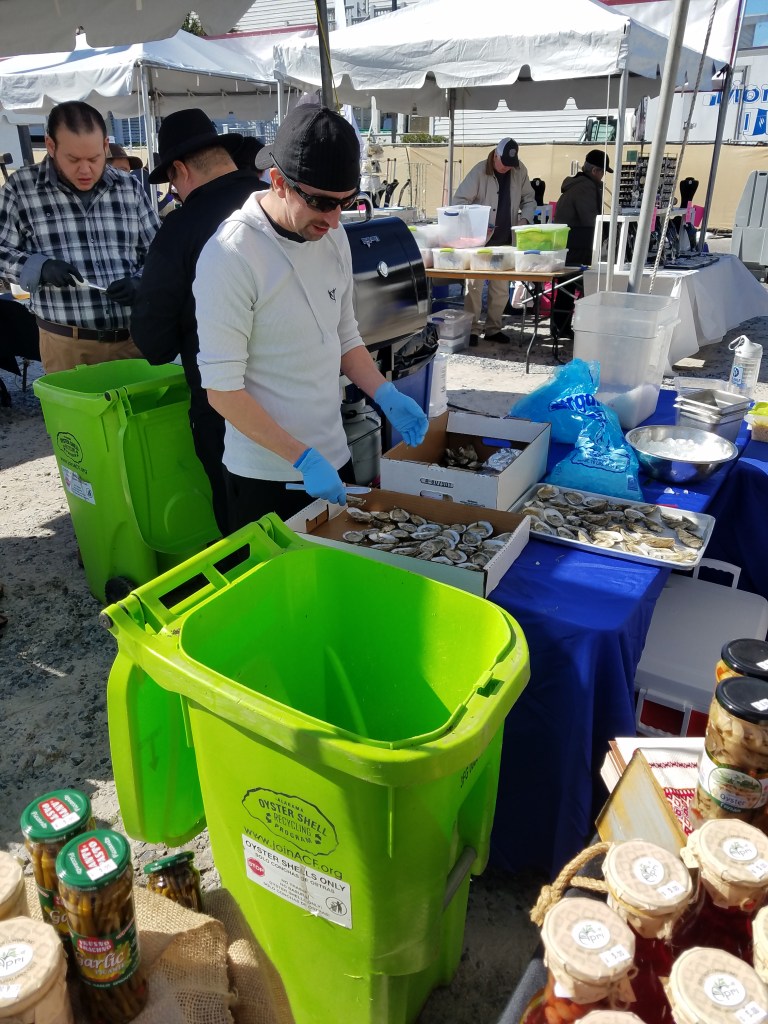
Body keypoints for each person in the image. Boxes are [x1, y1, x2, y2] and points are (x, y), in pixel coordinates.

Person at [193, 104, 429, 532]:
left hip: (332, 459)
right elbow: (221, 392)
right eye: (321, 202)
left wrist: (386, 394)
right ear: (278, 182)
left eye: (348, 202)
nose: (334, 218)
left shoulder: (334, 235)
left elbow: (344, 337)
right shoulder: (231, 254)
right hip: (265, 476)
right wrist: (301, 457)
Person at [130, 108, 267, 535]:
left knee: (244, 528)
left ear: (180, 170)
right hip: (304, 400)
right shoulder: (277, 206)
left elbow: (154, 344)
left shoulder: (181, 228)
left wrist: (145, 295)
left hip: (227, 409)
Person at [0, 101, 160, 373]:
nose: (85, 170)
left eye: (94, 159)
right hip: (66, 345)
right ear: (51, 146)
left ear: (106, 145)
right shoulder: (21, 189)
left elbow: (161, 253)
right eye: (73, 160)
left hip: (132, 341)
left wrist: (141, 282)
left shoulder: (129, 188)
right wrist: (38, 267)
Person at [453, 137, 536, 345]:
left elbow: (530, 198)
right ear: (495, 155)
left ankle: (493, 328)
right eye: (504, 164)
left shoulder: (519, 170)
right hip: (480, 242)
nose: (507, 168)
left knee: (500, 288)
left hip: (506, 239)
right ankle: (471, 329)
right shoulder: (479, 171)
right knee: (474, 287)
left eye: (511, 165)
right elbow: (460, 201)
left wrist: (525, 217)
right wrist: (478, 221)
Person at [551, 148, 613, 342]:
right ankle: (564, 328)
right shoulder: (585, 187)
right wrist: (609, 232)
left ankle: (560, 327)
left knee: (566, 289)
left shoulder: (578, 185)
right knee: (576, 288)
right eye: (603, 171)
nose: (603, 176)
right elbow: (590, 220)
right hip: (578, 244)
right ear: (595, 170)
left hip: (569, 243)